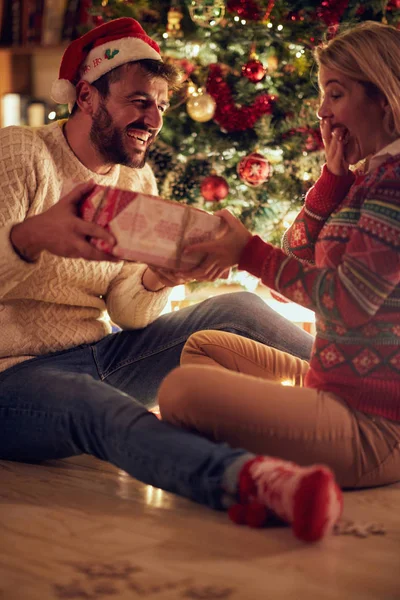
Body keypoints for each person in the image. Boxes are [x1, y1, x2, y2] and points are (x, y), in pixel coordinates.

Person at [0, 18, 336, 544]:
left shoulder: (137, 179)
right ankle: (249, 482)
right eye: (138, 100)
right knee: (92, 402)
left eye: (160, 104)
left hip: (97, 353)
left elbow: (128, 313)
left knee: (239, 309)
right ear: (86, 97)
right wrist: (31, 237)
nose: (153, 118)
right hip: (11, 378)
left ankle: (367, 395)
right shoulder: (21, 154)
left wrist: (159, 278)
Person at [158, 21, 400, 493]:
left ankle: (258, 479)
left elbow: (346, 302)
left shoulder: (394, 183)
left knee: (180, 393)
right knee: (202, 348)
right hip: (330, 383)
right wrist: (333, 178)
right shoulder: (370, 176)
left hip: (375, 426)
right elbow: (293, 256)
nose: (321, 111)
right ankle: (270, 463)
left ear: (382, 96)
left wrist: (247, 251)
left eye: (335, 93)